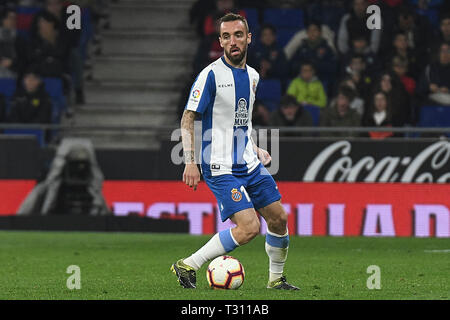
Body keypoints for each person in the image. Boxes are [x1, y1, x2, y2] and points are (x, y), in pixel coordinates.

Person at [172, 13, 299, 291]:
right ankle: (188, 264)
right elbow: (187, 118)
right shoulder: (210, 76)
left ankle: (276, 279)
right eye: (226, 36)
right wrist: (190, 162)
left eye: (238, 35)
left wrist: (253, 146)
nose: (233, 41)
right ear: (220, 41)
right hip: (220, 166)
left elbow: (240, 121)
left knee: (279, 218)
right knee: (250, 227)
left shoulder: (253, 76)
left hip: (249, 163)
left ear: (248, 38)